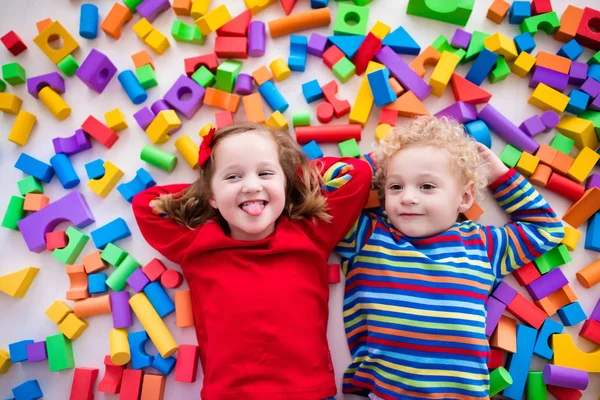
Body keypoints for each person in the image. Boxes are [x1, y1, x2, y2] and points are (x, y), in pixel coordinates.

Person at [132, 122, 373, 400]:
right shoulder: (197, 246)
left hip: (310, 392)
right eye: (233, 177)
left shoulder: (311, 234)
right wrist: (210, 190)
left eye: (265, 172)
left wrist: (286, 178)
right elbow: (144, 204)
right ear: (211, 195)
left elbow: (357, 173)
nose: (251, 186)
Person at [335, 116, 565, 399]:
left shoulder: (483, 245)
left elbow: (547, 229)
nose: (407, 197)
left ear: (465, 198)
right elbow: (328, 199)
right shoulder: (368, 235)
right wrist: (373, 164)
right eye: (395, 187)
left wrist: (500, 177)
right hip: (377, 391)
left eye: (426, 186)